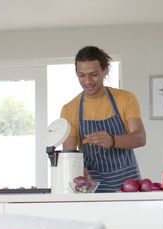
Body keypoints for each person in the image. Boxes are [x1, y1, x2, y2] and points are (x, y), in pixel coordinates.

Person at [60, 46, 146, 192]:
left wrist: (112, 140)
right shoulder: (69, 109)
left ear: (105, 70)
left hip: (127, 183)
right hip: (91, 184)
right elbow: (69, 154)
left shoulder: (125, 99)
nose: (87, 81)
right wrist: (80, 171)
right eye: (81, 75)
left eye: (93, 74)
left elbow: (140, 138)